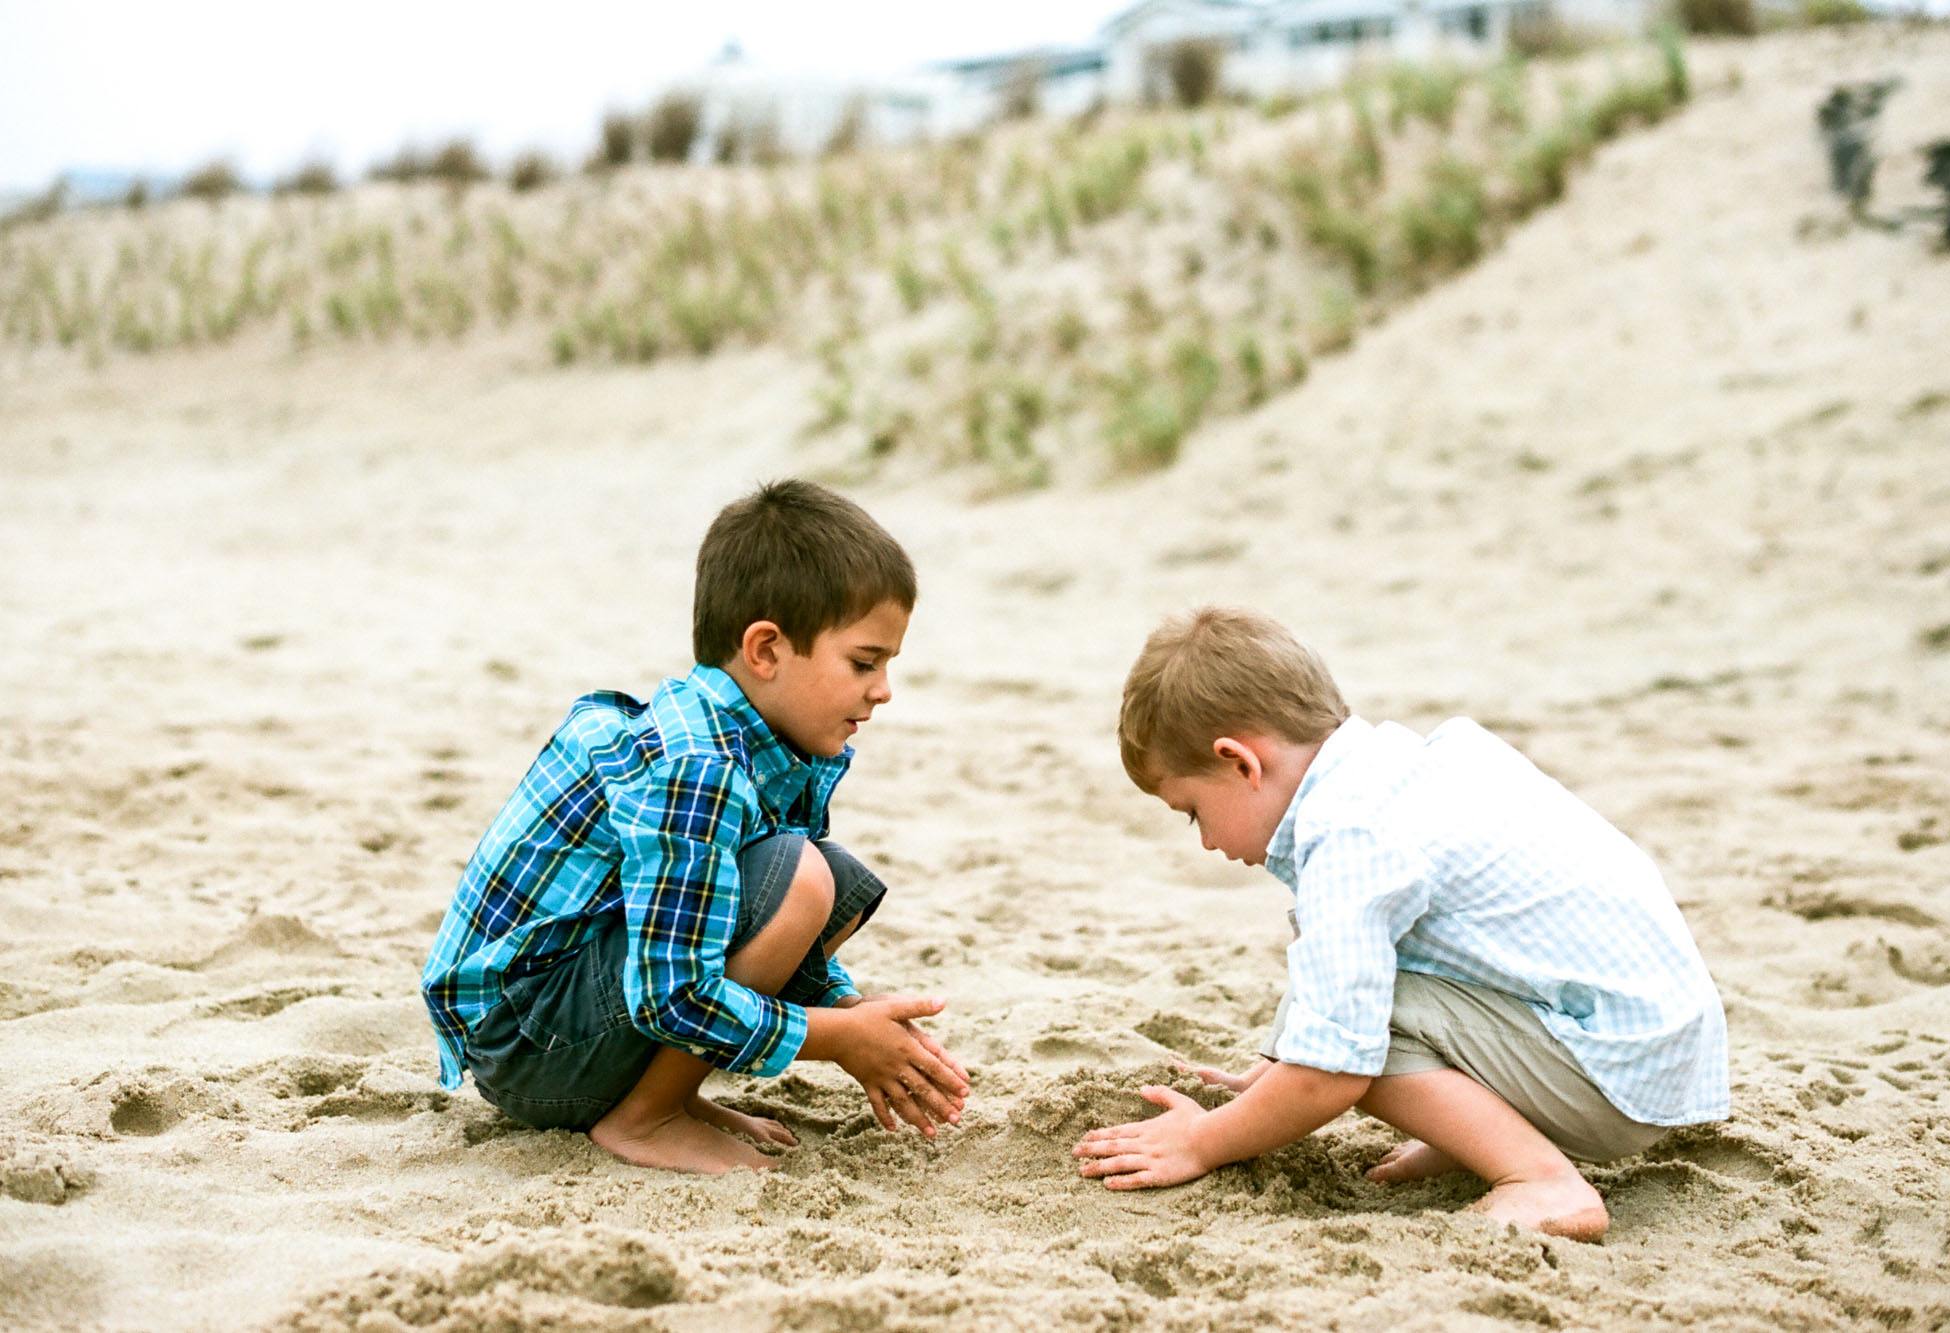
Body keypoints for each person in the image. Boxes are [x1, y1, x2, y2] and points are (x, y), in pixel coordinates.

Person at [1074, 606, 1728, 1240]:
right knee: (1355, 989)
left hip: (1616, 1073)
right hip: (1652, 1042)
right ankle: (1484, 1133)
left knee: (1362, 1028)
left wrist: (1202, 1141)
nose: (1207, 841)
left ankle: (1541, 1177)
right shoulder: (1402, 771)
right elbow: (1355, 967)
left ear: (1241, 762)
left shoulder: (1350, 838)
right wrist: (1269, 1078)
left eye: (1192, 811)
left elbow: (1331, 1070)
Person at [422, 479, 968, 1174]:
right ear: (765, 650)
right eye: (865, 661)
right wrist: (836, 1038)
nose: (884, 688)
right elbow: (671, 990)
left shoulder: (751, 740)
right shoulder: (696, 767)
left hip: (566, 1020)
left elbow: (701, 923)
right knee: (798, 879)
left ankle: (663, 1094)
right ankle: (647, 1116)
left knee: (830, 877)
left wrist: (855, 1012)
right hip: (531, 1046)